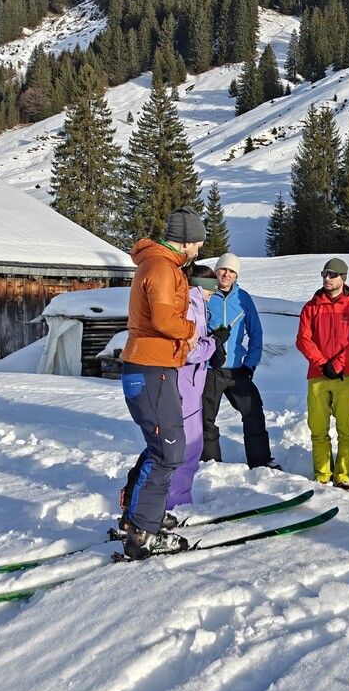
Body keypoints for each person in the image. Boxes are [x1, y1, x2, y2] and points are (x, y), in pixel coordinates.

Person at [117, 208, 205, 559]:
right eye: (197, 243)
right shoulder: (162, 267)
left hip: (155, 366)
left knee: (164, 447)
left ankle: (140, 516)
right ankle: (141, 531)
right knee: (169, 452)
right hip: (152, 368)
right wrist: (192, 331)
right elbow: (166, 319)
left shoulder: (162, 265)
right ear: (185, 240)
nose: (198, 250)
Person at [200, 252, 279, 470]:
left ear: (237, 276)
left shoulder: (243, 298)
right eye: (223, 269)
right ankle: (211, 464)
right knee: (206, 419)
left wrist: (250, 363)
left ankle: (261, 461)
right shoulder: (204, 295)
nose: (226, 274)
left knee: (253, 412)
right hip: (210, 369)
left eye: (231, 271)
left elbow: (256, 333)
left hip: (237, 370)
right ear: (216, 271)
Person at [296, 257, 349, 489]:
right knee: (318, 428)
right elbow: (303, 340)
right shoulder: (311, 307)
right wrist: (321, 362)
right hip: (317, 376)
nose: (327, 278)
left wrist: (337, 364)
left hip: (345, 377)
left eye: (332, 274)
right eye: (324, 274)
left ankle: (344, 476)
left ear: (343, 278)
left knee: (345, 429)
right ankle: (322, 475)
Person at [164, 264, 219, 511]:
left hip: (190, 384)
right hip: (184, 382)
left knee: (188, 447)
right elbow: (189, 350)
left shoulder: (195, 304)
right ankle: (175, 506)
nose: (213, 294)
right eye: (211, 289)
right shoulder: (191, 305)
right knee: (185, 448)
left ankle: (175, 501)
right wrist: (213, 344)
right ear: (202, 286)